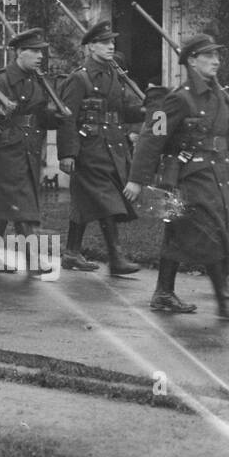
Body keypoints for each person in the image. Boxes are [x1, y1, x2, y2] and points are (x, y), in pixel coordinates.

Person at [125, 35, 229, 322]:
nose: (216, 61)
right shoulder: (178, 98)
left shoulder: (217, 95)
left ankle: (163, 293)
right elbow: (151, 137)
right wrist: (137, 179)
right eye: (209, 56)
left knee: (176, 232)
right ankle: (225, 301)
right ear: (192, 61)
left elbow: (218, 137)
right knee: (211, 234)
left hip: (216, 177)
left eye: (217, 56)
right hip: (187, 178)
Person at [57, 20, 146, 276]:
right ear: (90, 47)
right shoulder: (79, 78)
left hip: (114, 148)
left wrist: (143, 108)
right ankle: (116, 257)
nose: (111, 46)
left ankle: (72, 252)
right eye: (104, 42)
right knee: (108, 200)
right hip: (90, 149)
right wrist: (67, 153)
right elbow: (67, 118)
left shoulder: (115, 76)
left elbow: (122, 111)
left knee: (86, 200)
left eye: (112, 42)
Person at [0, 29, 63, 273]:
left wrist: (58, 118)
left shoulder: (37, 81)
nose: (39, 57)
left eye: (40, 52)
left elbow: (39, 115)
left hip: (28, 148)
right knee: (21, 204)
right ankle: (32, 258)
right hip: (3, 150)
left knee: (3, 206)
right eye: (33, 51)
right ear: (17, 53)